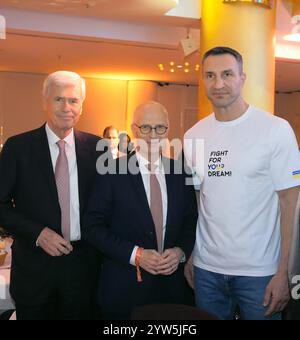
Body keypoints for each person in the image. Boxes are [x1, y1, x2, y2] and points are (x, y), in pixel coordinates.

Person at [184, 46, 300, 320]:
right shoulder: (192, 136)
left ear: (242, 77)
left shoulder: (275, 129)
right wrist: (192, 254)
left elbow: (290, 202)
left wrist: (285, 270)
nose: (218, 83)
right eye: (210, 76)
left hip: (260, 273)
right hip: (206, 270)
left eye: (227, 74)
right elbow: (200, 202)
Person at [83, 101, 198, 320]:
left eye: (159, 128)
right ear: (135, 130)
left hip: (172, 291)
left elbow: (191, 220)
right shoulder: (111, 171)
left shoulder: (181, 172)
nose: (152, 135)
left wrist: (180, 251)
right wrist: (136, 255)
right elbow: (92, 227)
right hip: (124, 290)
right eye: (146, 127)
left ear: (168, 129)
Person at [0, 71, 101, 320]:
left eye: (73, 100)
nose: (66, 107)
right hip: (34, 276)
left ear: (82, 106)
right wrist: (38, 233)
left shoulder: (99, 149)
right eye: (58, 99)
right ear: (45, 102)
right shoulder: (18, 147)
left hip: (84, 274)